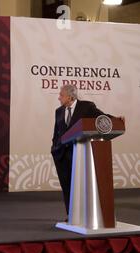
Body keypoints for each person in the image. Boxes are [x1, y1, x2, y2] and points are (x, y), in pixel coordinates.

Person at [51, 84, 124, 221]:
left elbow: (102, 118)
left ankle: (85, 213)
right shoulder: (58, 111)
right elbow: (56, 132)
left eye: (61, 95)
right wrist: (54, 148)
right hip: (61, 154)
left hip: (79, 154)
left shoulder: (87, 106)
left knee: (81, 185)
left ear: (70, 96)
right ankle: (71, 214)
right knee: (67, 186)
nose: (59, 98)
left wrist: (116, 119)